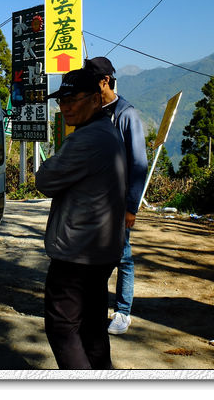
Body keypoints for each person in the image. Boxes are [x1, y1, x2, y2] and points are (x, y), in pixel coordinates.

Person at [36, 68, 127, 369]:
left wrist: (53, 161)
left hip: (77, 252)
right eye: (62, 101)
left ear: (95, 99)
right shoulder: (108, 131)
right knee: (92, 329)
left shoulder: (85, 139)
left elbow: (45, 181)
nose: (65, 108)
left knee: (62, 328)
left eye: (73, 100)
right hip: (100, 251)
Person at [84, 57, 149, 336]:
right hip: (95, 202)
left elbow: (138, 164)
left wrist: (131, 207)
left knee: (122, 257)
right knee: (94, 256)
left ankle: (122, 311)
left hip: (119, 203)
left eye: (91, 84)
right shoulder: (93, 111)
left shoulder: (126, 114)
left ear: (105, 82)